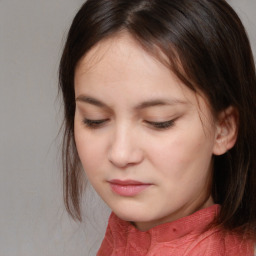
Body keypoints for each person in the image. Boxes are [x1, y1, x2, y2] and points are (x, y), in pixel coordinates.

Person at [58, 0, 256, 255]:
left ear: (224, 129)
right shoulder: (130, 231)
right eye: (95, 119)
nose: (120, 153)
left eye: (158, 122)